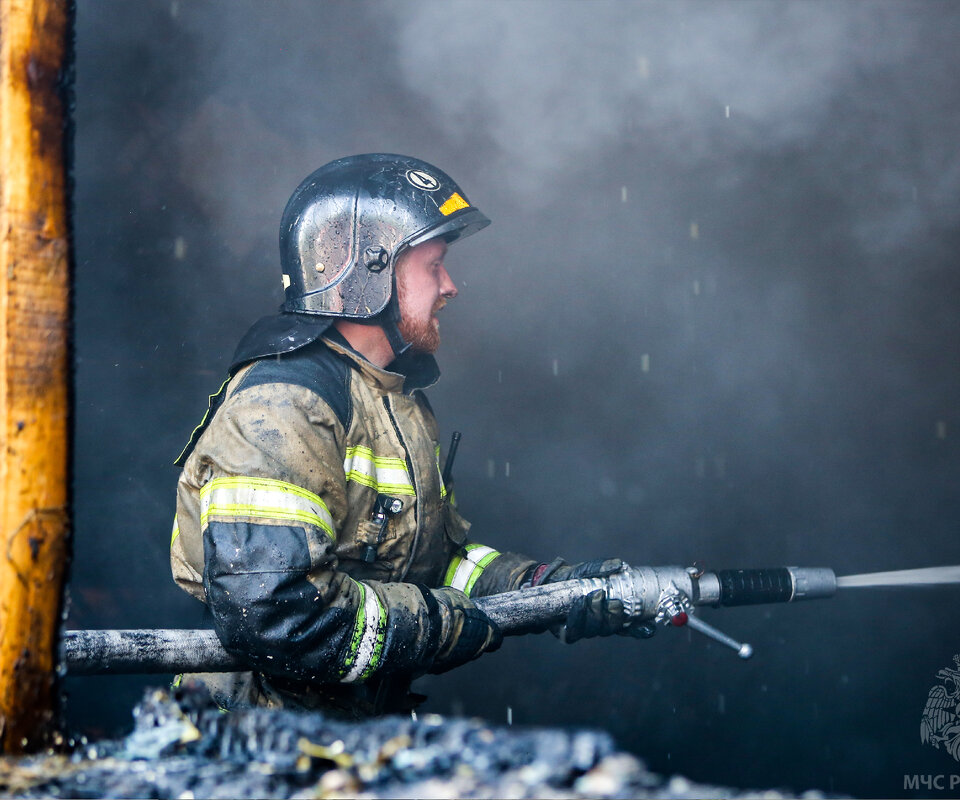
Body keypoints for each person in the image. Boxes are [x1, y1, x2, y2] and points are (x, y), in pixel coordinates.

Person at [170, 154, 635, 717]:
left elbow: (430, 565)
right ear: (368, 269)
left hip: (351, 741)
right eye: (433, 265)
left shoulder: (395, 399)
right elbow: (278, 617)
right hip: (253, 751)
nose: (450, 287)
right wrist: (439, 626)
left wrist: (551, 591)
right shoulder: (284, 405)